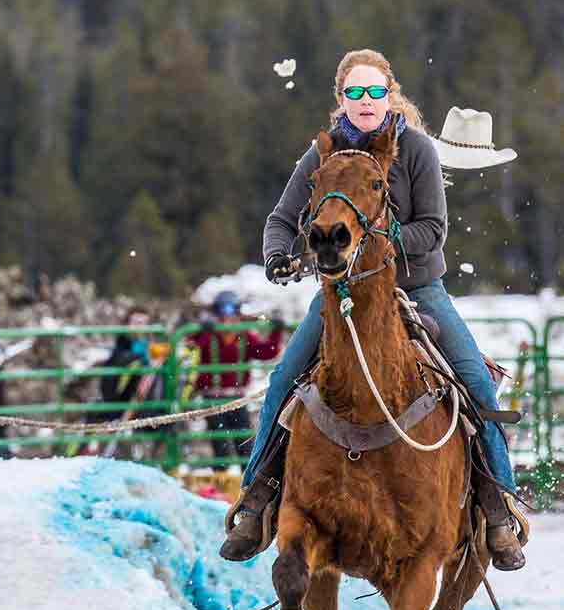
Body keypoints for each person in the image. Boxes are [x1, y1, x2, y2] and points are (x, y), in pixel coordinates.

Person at [221, 48, 525, 571]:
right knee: (283, 381)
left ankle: (498, 507)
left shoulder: (418, 151)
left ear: (390, 94)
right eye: (355, 92)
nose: (366, 101)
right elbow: (282, 218)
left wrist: (375, 238)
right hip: (344, 297)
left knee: (476, 380)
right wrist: (276, 254)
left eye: (375, 91)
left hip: (419, 288)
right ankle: (257, 498)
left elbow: (434, 228)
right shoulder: (322, 154)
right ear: (341, 97)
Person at [188, 290, 284, 461]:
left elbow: (267, 352)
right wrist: (202, 329)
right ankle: (221, 477)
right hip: (212, 397)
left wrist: (276, 331)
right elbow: (190, 344)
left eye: (232, 313)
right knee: (219, 445)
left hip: (237, 397)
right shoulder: (208, 335)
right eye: (222, 313)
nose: (227, 319)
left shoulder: (244, 335)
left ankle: (245, 482)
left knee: (244, 443)